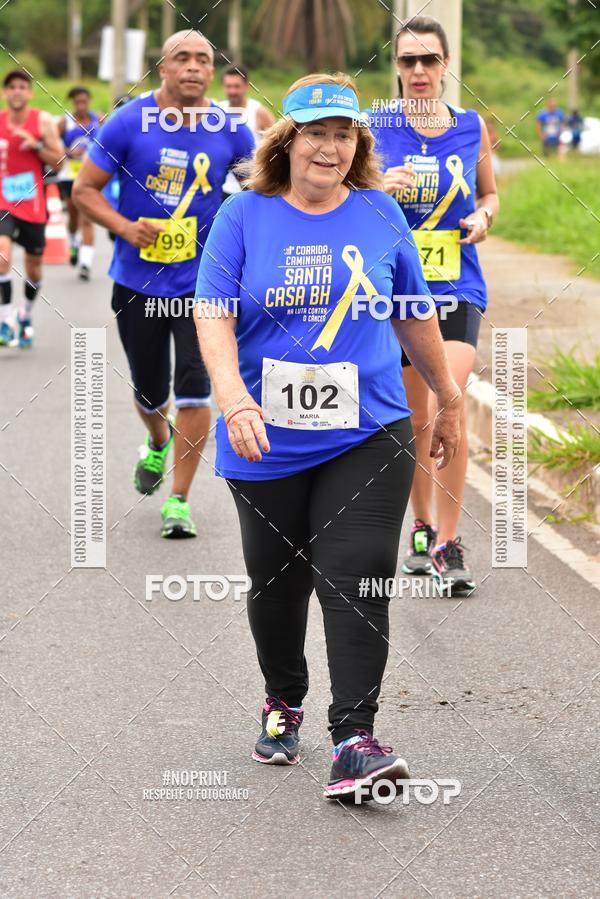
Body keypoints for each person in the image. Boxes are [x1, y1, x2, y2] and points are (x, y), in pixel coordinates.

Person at [194, 73, 461, 802]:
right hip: (264, 435)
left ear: (358, 145)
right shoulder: (243, 214)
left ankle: (354, 740)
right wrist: (233, 397)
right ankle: (284, 699)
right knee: (276, 583)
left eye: (344, 135)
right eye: (316, 133)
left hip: (368, 429)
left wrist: (448, 396)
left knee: (357, 574)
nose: (330, 147)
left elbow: (413, 309)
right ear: (287, 142)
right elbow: (212, 310)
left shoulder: (380, 212)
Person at [73, 31, 255, 538]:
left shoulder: (231, 129)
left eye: (203, 59)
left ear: (212, 72)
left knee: (196, 392)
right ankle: (157, 439)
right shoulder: (129, 122)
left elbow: (261, 192)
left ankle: (179, 500)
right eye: (183, 58)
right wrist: (125, 227)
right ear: (164, 69)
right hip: (138, 283)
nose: (193, 67)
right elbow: (84, 191)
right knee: (150, 392)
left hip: (203, 286)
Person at [370, 15, 499, 593]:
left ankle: (449, 542)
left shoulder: (471, 127)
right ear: (396, 67)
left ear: (446, 65)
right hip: (396, 290)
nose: (419, 69)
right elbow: (338, 193)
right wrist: (376, 189)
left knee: (449, 396)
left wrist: (484, 217)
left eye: (430, 59)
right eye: (408, 60)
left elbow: (489, 193)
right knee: (416, 416)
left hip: (456, 287)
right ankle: (420, 527)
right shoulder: (373, 125)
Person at [0, 69, 63, 348]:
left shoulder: (43, 121)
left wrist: (36, 145)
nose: (16, 91)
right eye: (11, 86)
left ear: (29, 93)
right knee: (2, 255)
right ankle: (5, 321)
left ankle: (24, 314)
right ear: (5, 93)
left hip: (33, 205)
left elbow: (59, 162)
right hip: (3, 202)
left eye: (22, 87)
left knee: (34, 269)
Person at [57, 86, 102, 280]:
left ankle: (85, 264)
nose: (81, 106)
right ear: (73, 103)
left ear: (89, 101)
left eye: (84, 102)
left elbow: (108, 142)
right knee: (73, 215)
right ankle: (74, 242)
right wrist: (68, 152)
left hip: (91, 176)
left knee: (87, 218)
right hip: (69, 176)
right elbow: (54, 145)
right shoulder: (64, 123)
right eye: (77, 102)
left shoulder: (98, 119)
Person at [217, 64, 275, 199]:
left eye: (236, 86)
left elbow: (277, 147)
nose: (232, 91)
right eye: (228, 86)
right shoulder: (217, 111)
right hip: (222, 187)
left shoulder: (259, 112)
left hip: (251, 186)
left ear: (246, 86)